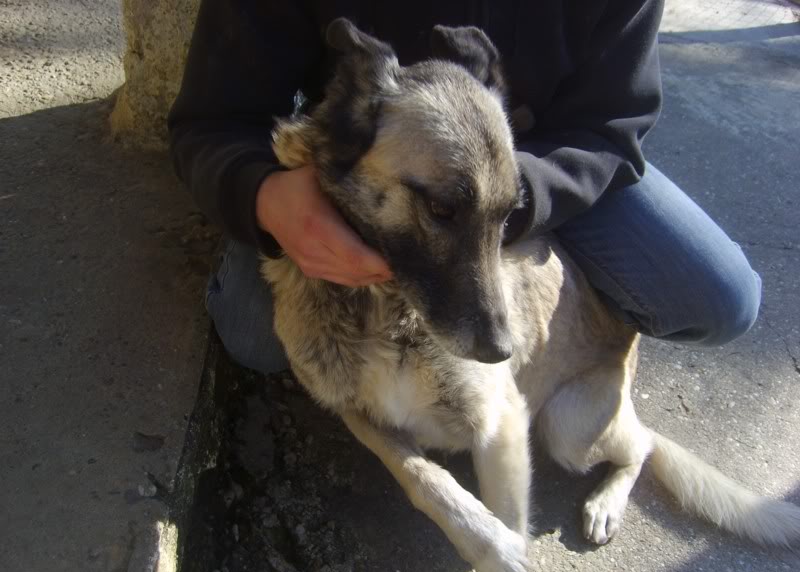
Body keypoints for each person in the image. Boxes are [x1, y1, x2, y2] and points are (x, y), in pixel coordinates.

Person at [168, 0, 761, 376]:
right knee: (253, 337)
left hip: (543, 166)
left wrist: (504, 200)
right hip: (367, 168)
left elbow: (611, 125)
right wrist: (265, 198)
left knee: (720, 300)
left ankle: (553, 290)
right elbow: (210, 122)